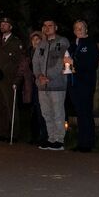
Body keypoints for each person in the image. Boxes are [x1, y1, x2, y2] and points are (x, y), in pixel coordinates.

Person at [33, 19, 70, 150]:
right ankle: (51, 138)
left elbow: (60, 61)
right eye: (45, 26)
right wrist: (39, 76)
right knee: (46, 113)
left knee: (58, 112)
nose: (47, 28)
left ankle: (59, 140)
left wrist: (48, 77)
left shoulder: (62, 41)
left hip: (57, 84)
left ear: (56, 27)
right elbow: (35, 62)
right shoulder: (41, 44)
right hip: (42, 86)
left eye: (50, 25)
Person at [0, 17, 24, 141]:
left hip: (8, 78)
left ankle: (14, 133)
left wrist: (5, 72)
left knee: (10, 106)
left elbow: (17, 61)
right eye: (1, 24)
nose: (2, 26)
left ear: (11, 27)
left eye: (5, 24)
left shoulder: (16, 42)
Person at [67, 19, 99, 152]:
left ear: (86, 29)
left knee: (86, 112)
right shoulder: (72, 45)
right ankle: (81, 142)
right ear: (74, 30)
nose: (79, 30)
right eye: (76, 28)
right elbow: (66, 62)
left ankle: (88, 143)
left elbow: (91, 64)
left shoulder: (90, 44)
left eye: (81, 27)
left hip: (86, 83)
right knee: (80, 113)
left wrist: (74, 62)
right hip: (74, 83)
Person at [25, 31, 48, 145]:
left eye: (37, 39)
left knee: (41, 110)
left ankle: (44, 135)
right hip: (31, 85)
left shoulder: (43, 52)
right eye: (33, 40)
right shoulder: (29, 53)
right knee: (34, 110)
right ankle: (35, 135)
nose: (35, 42)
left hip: (40, 83)